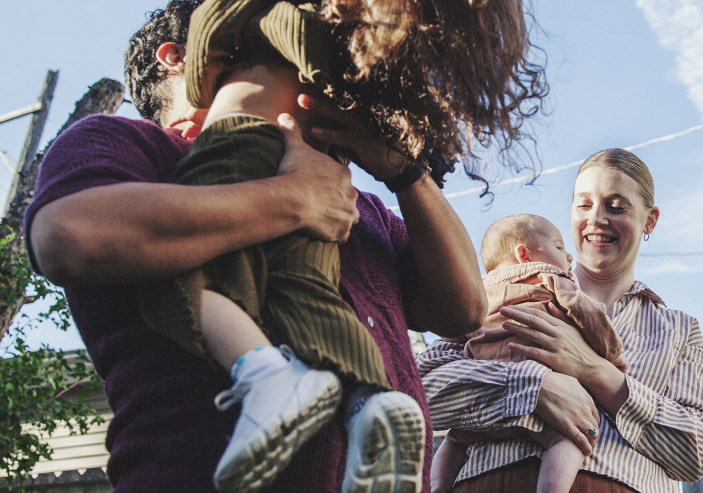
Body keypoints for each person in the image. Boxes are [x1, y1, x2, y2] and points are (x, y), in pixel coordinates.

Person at [23, 2, 543, 492]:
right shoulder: (136, 148)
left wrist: (406, 172)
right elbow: (69, 235)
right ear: (187, 57)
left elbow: (465, 310)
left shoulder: (359, 205)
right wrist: (294, 199)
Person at [418, 148, 703, 492]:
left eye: (616, 206)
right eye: (584, 204)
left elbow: (698, 452)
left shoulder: (678, 330)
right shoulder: (509, 290)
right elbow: (416, 386)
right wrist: (531, 386)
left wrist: (597, 372)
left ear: (649, 220)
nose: (596, 219)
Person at [430, 214, 626, 493]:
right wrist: (611, 353)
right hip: (538, 409)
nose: (569, 257)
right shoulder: (550, 279)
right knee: (566, 442)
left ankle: (437, 485)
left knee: (454, 441)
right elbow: (589, 314)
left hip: (486, 410)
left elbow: (453, 331)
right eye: (559, 247)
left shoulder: (479, 294)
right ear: (524, 254)